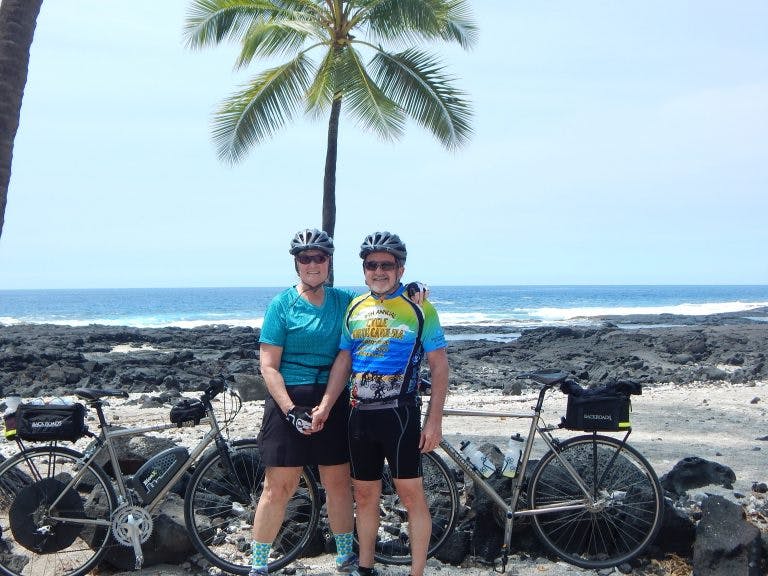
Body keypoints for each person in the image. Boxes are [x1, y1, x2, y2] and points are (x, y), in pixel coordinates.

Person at [250, 229, 427, 576]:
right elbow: (268, 366)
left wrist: (412, 289)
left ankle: (345, 559)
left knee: (337, 482)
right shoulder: (281, 305)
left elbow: (380, 298)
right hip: (290, 398)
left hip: (334, 398)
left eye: (319, 257)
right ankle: (259, 565)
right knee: (279, 486)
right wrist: (289, 409)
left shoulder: (344, 300)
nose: (312, 264)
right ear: (296, 264)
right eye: (305, 258)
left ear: (329, 262)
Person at [314, 231, 449, 576]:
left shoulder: (420, 308)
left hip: (400, 415)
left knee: (410, 495)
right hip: (359, 415)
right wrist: (328, 404)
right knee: (364, 496)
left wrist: (434, 421)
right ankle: (365, 566)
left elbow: (439, 366)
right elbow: (344, 360)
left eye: (386, 265)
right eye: (371, 264)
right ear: (364, 270)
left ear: (400, 269)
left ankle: (417, 571)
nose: (378, 271)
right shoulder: (355, 307)